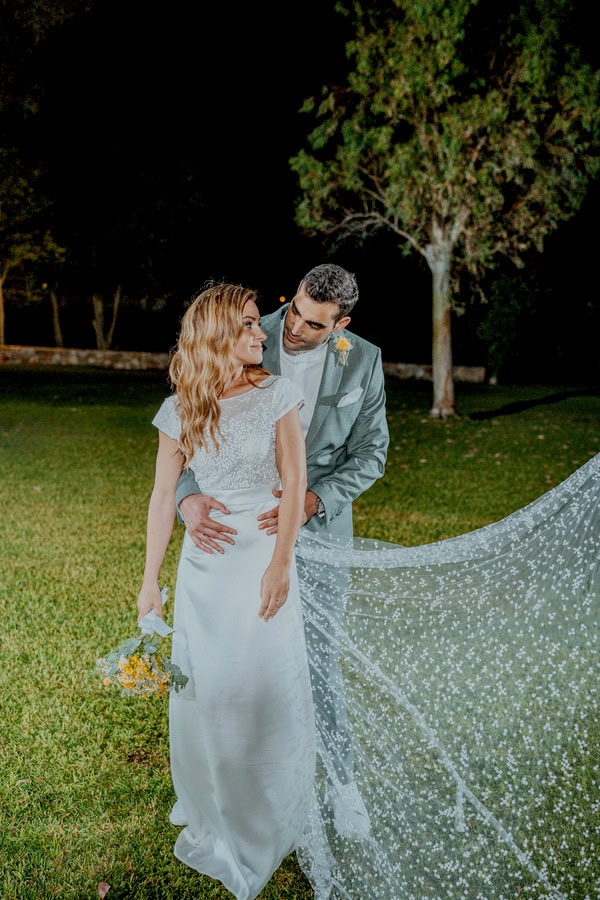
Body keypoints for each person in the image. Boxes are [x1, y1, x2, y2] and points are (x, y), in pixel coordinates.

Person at [175, 263, 390, 840]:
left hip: (316, 535)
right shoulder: (245, 328)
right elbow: (187, 416)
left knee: (317, 661)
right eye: (293, 310)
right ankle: (240, 783)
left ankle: (342, 787)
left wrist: (314, 499)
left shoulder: (363, 360)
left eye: (314, 324)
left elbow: (371, 454)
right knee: (235, 661)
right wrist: (187, 498)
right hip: (235, 536)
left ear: (340, 323)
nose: (293, 329)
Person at [136, 282, 316, 900]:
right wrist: (149, 581)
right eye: (247, 326)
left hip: (261, 561)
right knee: (207, 691)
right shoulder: (180, 406)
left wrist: (280, 564)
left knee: (261, 685)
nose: (261, 333)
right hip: (204, 573)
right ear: (216, 335)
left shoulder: (278, 395)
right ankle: (213, 802)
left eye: (257, 325)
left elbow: (295, 483)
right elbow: (164, 498)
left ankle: (268, 811)